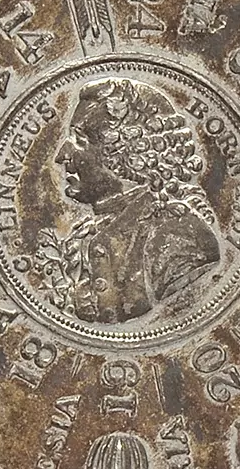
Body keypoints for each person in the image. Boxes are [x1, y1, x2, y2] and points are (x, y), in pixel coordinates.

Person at [45, 79, 221, 324]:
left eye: (81, 140)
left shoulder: (178, 240)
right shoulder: (88, 234)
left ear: (126, 153)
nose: (62, 156)